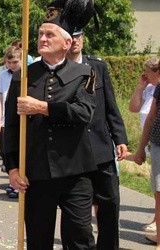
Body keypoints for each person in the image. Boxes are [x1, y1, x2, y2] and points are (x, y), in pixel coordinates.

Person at [3, 0, 98, 249]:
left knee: (79, 238)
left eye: (49, 34)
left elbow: (84, 113)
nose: (42, 39)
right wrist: (12, 167)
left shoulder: (84, 73)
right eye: (40, 34)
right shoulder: (23, 76)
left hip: (75, 172)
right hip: (36, 172)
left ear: (67, 43)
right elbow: (10, 126)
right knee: (38, 239)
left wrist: (43, 107)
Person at [66, 28, 128, 249]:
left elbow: (110, 105)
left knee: (110, 205)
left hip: (101, 148)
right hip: (75, 152)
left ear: (82, 39)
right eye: (71, 37)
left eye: (78, 37)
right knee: (80, 217)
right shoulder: (60, 70)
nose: (75, 42)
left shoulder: (97, 66)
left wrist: (120, 138)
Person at [129, 57, 160, 234]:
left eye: (147, 71)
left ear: (157, 71)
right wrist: (140, 86)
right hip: (150, 141)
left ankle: (157, 222)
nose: (144, 74)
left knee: (158, 187)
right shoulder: (149, 90)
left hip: (155, 140)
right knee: (155, 185)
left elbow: (151, 118)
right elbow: (133, 108)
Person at [0, 45, 22, 199]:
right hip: (6, 119)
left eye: (15, 62)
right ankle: (12, 181)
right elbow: (0, 98)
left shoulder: (26, 75)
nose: (12, 65)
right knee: (7, 152)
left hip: (19, 119)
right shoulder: (3, 75)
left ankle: (18, 183)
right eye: (9, 62)